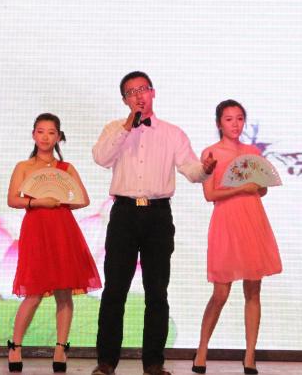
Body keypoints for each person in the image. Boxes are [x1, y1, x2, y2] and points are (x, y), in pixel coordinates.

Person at [91, 71, 213, 375]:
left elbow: (191, 169)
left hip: (158, 216)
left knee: (157, 292)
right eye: (131, 92)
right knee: (115, 290)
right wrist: (126, 128)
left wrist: (206, 169)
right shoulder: (114, 129)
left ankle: (154, 363)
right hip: (124, 214)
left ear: (153, 92)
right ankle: (106, 362)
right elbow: (101, 158)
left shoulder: (172, 133)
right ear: (124, 100)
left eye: (142, 89)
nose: (138, 96)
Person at [6, 113, 101, 373]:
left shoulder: (65, 168)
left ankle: (60, 348)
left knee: (64, 291)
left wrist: (59, 202)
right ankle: (15, 346)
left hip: (62, 230)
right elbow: (12, 199)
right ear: (33, 134)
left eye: (51, 132)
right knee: (33, 292)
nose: (45, 137)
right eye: (40, 131)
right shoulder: (24, 167)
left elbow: (83, 199)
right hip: (36, 229)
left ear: (58, 136)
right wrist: (38, 201)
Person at [193, 100, 281, 375]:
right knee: (220, 293)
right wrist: (241, 188)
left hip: (253, 220)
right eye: (229, 119)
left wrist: (255, 187)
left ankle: (250, 355)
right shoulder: (211, 153)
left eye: (240, 118)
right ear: (219, 123)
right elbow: (210, 194)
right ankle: (202, 350)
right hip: (226, 222)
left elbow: (261, 190)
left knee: (253, 291)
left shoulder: (252, 152)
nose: (235, 124)